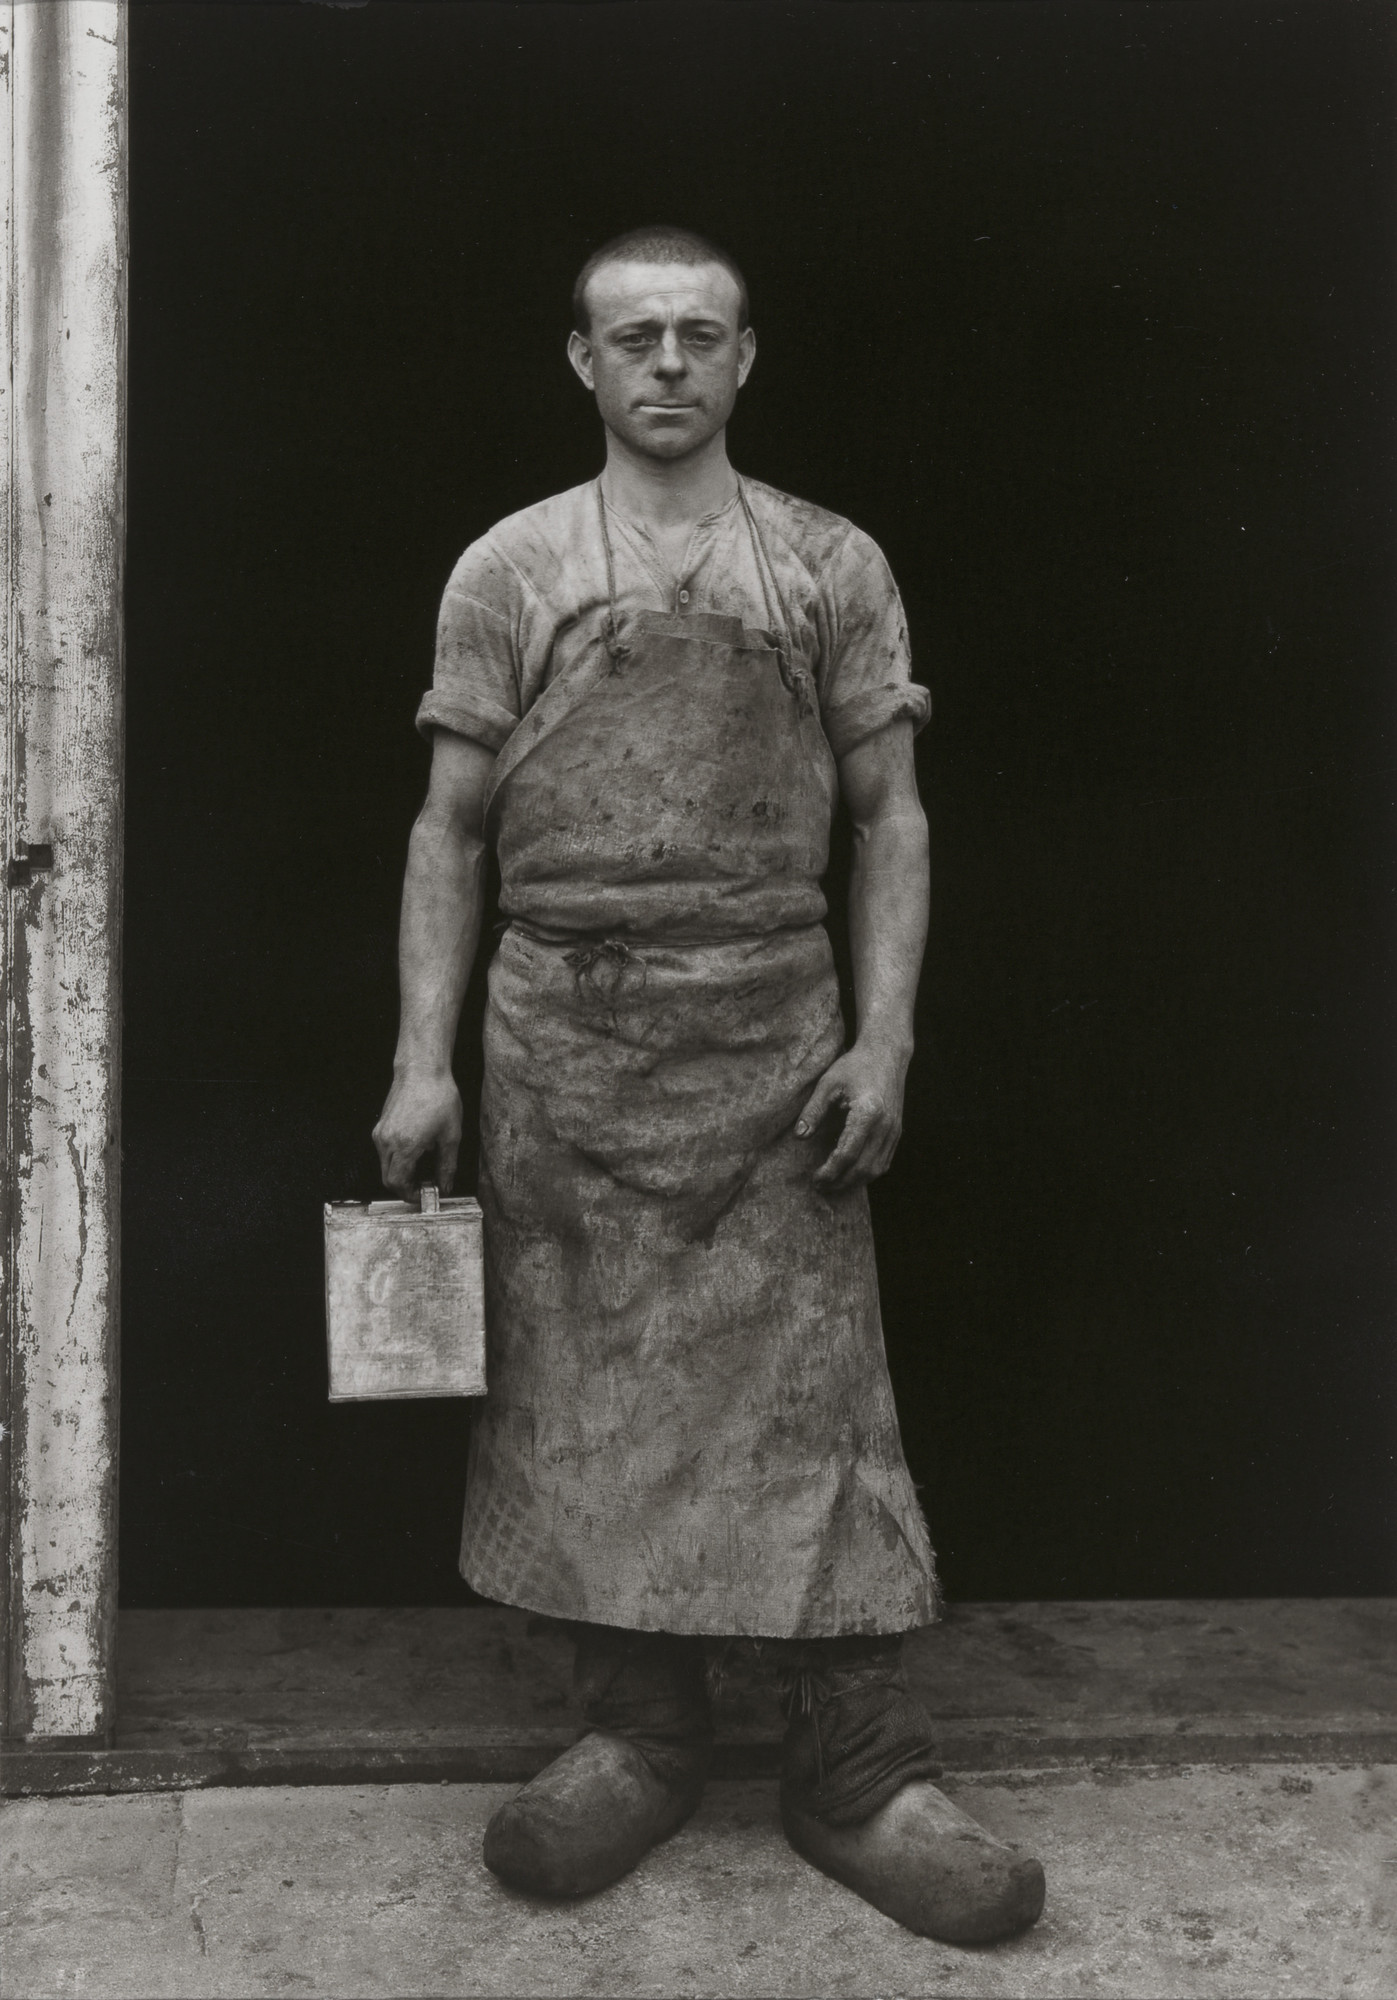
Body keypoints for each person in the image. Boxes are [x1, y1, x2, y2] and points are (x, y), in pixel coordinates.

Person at [374, 226, 1045, 1944]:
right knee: (583, 1401)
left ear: (746, 360)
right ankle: (639, 1733)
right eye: (632, 337)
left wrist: (882, 1038)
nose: (666, 364)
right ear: (580, 363)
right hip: (560, 1049)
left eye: (698, 336)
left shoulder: (826, 563)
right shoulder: (509, 570)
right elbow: (448, 828)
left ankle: (852, 1763)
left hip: (775, 1050)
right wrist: (417, 1060)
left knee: (809, 1405)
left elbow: (889, 818)